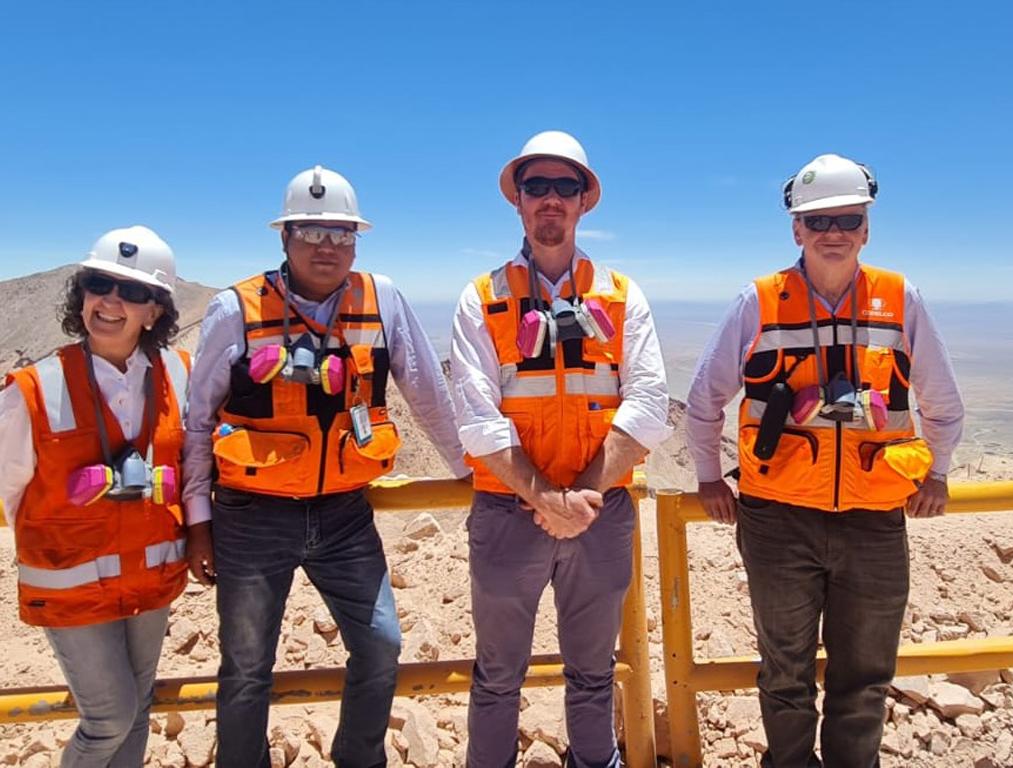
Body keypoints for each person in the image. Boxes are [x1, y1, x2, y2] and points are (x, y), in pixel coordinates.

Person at [182, 164, 469, 768]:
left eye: (341, 233)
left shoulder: (381, 299)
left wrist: (470, 469)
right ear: (284, 237)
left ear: (357, 241)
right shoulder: (235, 308)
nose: (327, 246)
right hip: (251, 517)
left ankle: (359, 758)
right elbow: (198, 421)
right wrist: (198, 522)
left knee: (381, 644)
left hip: (344, 514)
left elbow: (427, 392)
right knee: (246, 667)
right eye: (311, 232)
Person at [686, 153, 965, 768]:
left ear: (867, 228)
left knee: (864, 678)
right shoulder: (760, 300)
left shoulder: (900, 298)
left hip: (873, 519)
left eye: (847, 219)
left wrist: (939, 472)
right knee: (784, 672)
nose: (833, 232)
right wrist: (708, 477)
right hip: (777, 519)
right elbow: (704, 398)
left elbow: (942, 399)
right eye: (818, 221)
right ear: (796, 230)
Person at [450, 130, 671, 768]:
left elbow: (649, 402)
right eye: (537, 185)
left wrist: (582, 497)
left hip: (598, 513)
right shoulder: (482, 298)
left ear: (584, 200)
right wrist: (547, 498)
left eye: (564, 186)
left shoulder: (622, 295)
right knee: (497, 674)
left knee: (595, 672)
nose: (551, 198)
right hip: (508, 512)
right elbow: (477, 417)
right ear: (517, 199)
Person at [1, 226, 190, 766]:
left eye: (131, 291)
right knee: (108, 718)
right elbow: (8, 488)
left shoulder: (179, 373)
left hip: (150, 578)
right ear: (81, 295)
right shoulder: (33, 388)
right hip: (73, 586)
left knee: (138, 709)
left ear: (154, 311)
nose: (110, 301)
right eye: (99, 285)